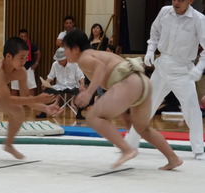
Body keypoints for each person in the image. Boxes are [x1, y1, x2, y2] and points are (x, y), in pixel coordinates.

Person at [62, 29, 183, 170]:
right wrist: (124, 112)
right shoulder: (98, 54)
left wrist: (89, 93)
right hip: (142, 82)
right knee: (143, 129)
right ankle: (173, 158)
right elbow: (113, 80)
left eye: (65, 48)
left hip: (129, 83)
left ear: (75, 48)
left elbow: (100, 68)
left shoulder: (84, 58)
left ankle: (127, 150)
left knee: (94, 117)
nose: (64, 52)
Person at [125, 0, 205, 160]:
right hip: (162, 66)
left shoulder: (199, 19)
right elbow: (154, 32)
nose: (176, 2)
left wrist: (199, 67)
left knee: (192, 110)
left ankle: (198, 148)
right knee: (146, 105)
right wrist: (150, 50)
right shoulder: (164, 11)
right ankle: (130, 142)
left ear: (190, 0)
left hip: (183, 69)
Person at [36, 47, 86, 119]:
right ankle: (43, 112)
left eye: (60, 60)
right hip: (59, 86)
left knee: (83, 92)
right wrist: (45, 83)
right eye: (57, 59)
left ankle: (79, 113)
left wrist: (82, 85)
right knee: (45, 91)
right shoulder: (55, 64)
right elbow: (50, 77)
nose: (58, 61)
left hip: (73, 86)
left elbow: (81, 77)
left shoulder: (74, 64)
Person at [11, 29, 41, 96]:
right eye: (21, 36)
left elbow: (38, 52)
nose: (23, 38)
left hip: (28, 68)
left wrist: (36, 63)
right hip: (16, 69)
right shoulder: (14, 46)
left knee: (31, 88)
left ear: (27, 37)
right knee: (14, 89)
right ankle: (14, 105)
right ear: (19, 37)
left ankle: (32, 105)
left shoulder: (31, 45)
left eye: (25, 36)